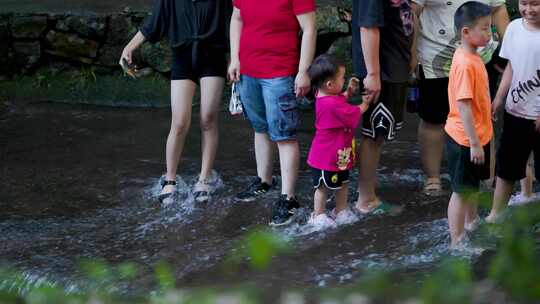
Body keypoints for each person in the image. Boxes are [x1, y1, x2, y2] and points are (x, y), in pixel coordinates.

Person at [120, 0, 232, 203]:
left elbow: (231, 22)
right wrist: (129, 47)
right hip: (182, 57)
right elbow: (153, 23)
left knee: (208, 117)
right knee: (179, 122)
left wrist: (234, 57)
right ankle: (170, 179)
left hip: (212, 57)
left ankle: (204, 177)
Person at [228, 0, 316, 226]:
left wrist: (303, 71)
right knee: (260, 127)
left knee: (284, 134)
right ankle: (264, 181)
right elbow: (237, 18)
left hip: (279, 72)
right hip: (248, 70)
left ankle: (289, 198)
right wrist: (235, 58)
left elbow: (309, 29)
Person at [411, 0, 509, 196]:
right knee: (433, 118)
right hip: (435, 58)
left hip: (482, 56)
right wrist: (411, 53)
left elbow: (498, 9)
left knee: (482, 114)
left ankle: (486, 175)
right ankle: (433, 176)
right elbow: (413, 11)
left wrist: (510, 48)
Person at [351, 0, 413, 215]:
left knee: (380, 133)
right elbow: (368, 26)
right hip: (382, 69)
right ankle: (365, 199)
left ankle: (368, 195)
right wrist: (373, 74)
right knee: (374, 133)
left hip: (393, 64)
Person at [486, 0, 540, 223]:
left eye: (535, 4)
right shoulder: (515, 28)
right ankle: (496, 214)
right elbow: (511, 66)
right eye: (524, 3)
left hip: (537, 114)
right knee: (507, 164)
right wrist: (499, 98)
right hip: (515, 110)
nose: (528, 9)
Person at [445, 1, 494, 247]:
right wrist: (474, 143)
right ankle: (457, 239)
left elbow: (476, 96)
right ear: (466, 32)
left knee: (472, 186)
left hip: (478, 135)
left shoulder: (471, 55)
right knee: (461, 190)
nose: (490, 34)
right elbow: (463, 106)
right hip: (466, 139)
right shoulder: (465, 63)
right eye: (485, 28)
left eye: (491, 28)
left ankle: (471, 221)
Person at [306, 54, 371, 228]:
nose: (344, 80)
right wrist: (364, 104)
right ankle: (318, 215)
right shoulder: (330, 104)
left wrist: (348, 91)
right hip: (325, 156)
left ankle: (340, 210)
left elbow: (338, 99)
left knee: (342, 182)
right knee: (322, 186)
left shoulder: (324, 96)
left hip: (338, 153)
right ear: (329, 84)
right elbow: (350, 114)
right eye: (342, 78)